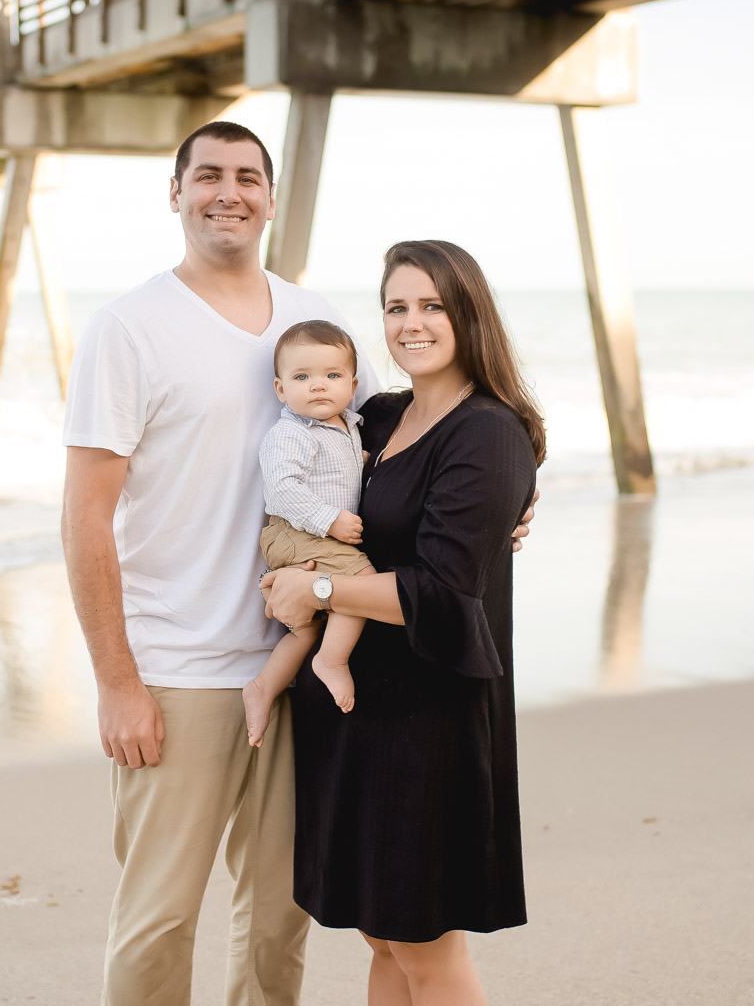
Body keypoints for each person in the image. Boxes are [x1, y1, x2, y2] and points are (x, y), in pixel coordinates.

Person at [60, 123, 533, 1006]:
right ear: (175, 193)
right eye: (207, 176)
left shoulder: (314, 318)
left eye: (248, 177)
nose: (227, 193)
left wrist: (515, 493)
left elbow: (417, 447)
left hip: (306, 675)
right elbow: (84, 513)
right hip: (182, 670)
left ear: (273, 198)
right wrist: (116, 678)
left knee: (280, 918)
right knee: (161, 918)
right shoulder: (130, 327)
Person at [262, 239, 546, 1006]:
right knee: (383, 935)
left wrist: (314, 585)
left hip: (430, 716)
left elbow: (445, 592)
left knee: (424, 945)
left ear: (469, 314)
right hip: (360, 708)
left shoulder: (487, 432)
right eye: (396, 307)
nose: (411, 323)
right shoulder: (381, 415)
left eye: (432, 305)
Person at [243, 319, 378, 748]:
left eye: (332, 376)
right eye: (302, 377)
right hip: (297, 531)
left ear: (352, 384)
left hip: (311, 537)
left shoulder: (347, 426)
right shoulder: (290, 434)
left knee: (306, 626)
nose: (318, 386)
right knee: (363, 584)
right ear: (281, 390)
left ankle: (263, 686)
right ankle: (332, 662)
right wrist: (329, 520)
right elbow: (283, 491)